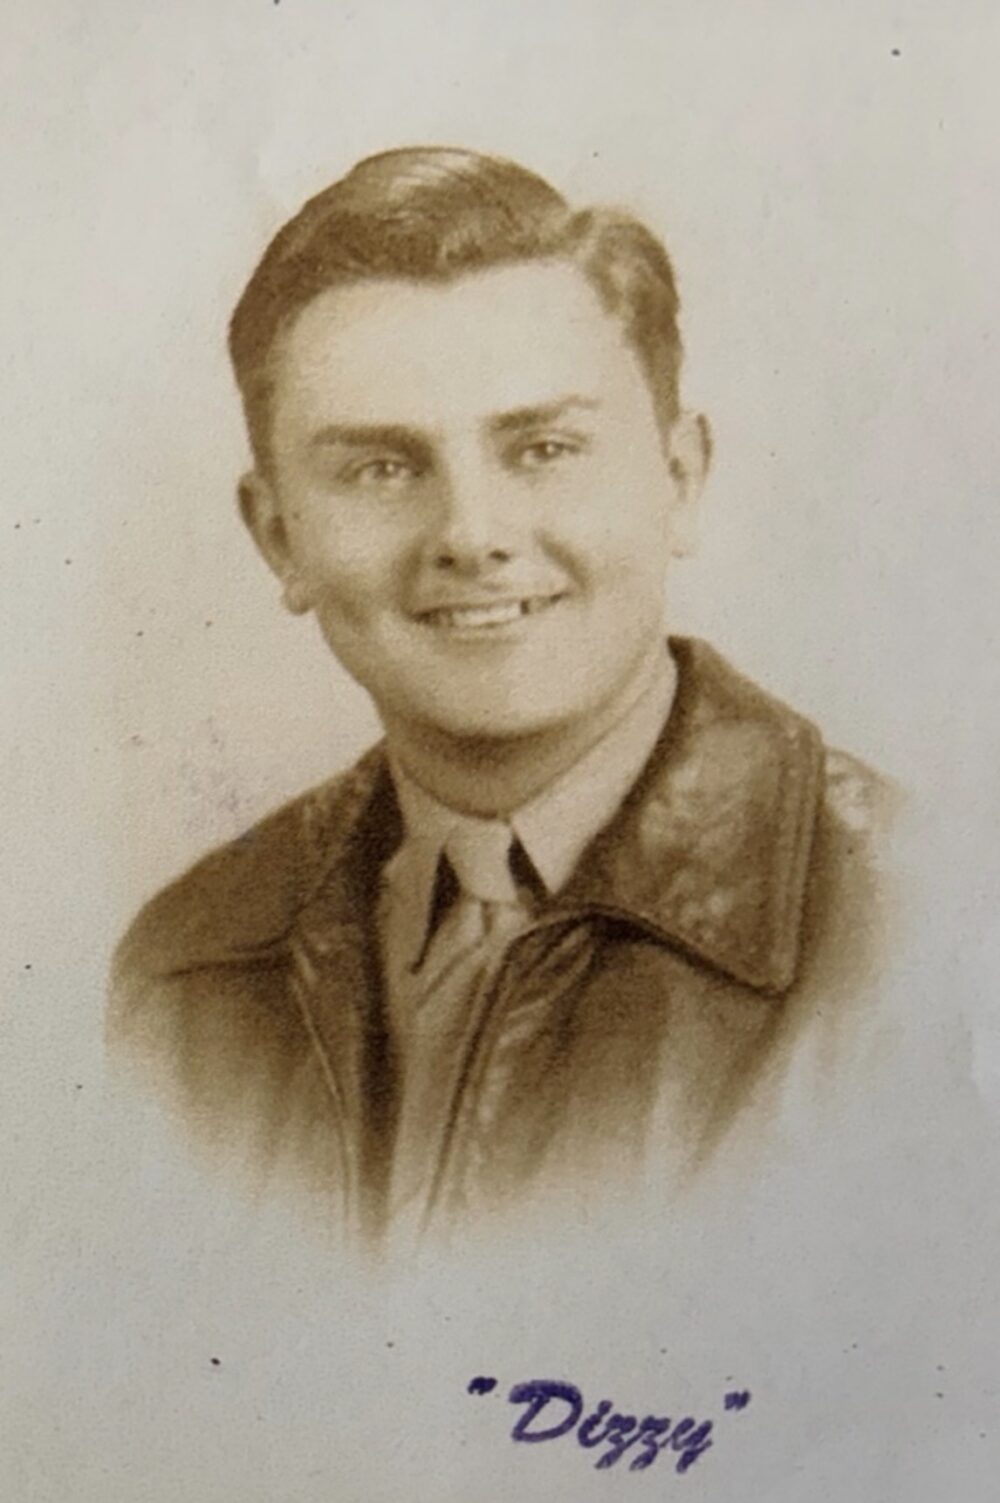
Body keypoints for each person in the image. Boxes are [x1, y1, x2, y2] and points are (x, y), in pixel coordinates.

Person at [109, 146, 892, 1248]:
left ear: (680, 480)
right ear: (279, 535)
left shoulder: (924, 932)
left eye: (544, 448)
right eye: (382, 469)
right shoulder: (189, 967)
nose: (471, 535)